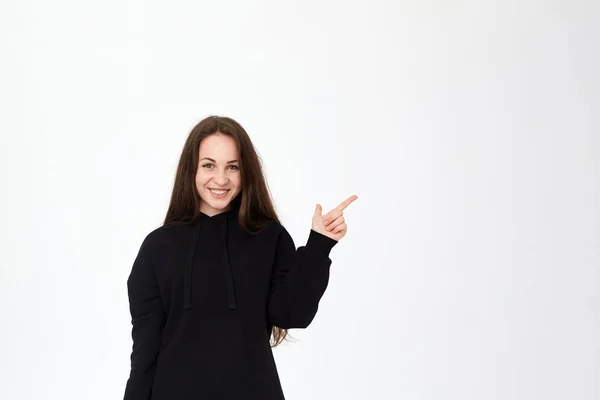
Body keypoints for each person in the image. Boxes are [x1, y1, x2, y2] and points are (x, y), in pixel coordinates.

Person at [123, 115, 357, 400]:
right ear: (191, 170)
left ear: (245, 172)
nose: (220, 179)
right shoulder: (157, 247)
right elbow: (145, 350)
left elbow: (292, 313)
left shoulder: (269, 237)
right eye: (209, 165)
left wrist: (319, 245)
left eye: (232, 167)